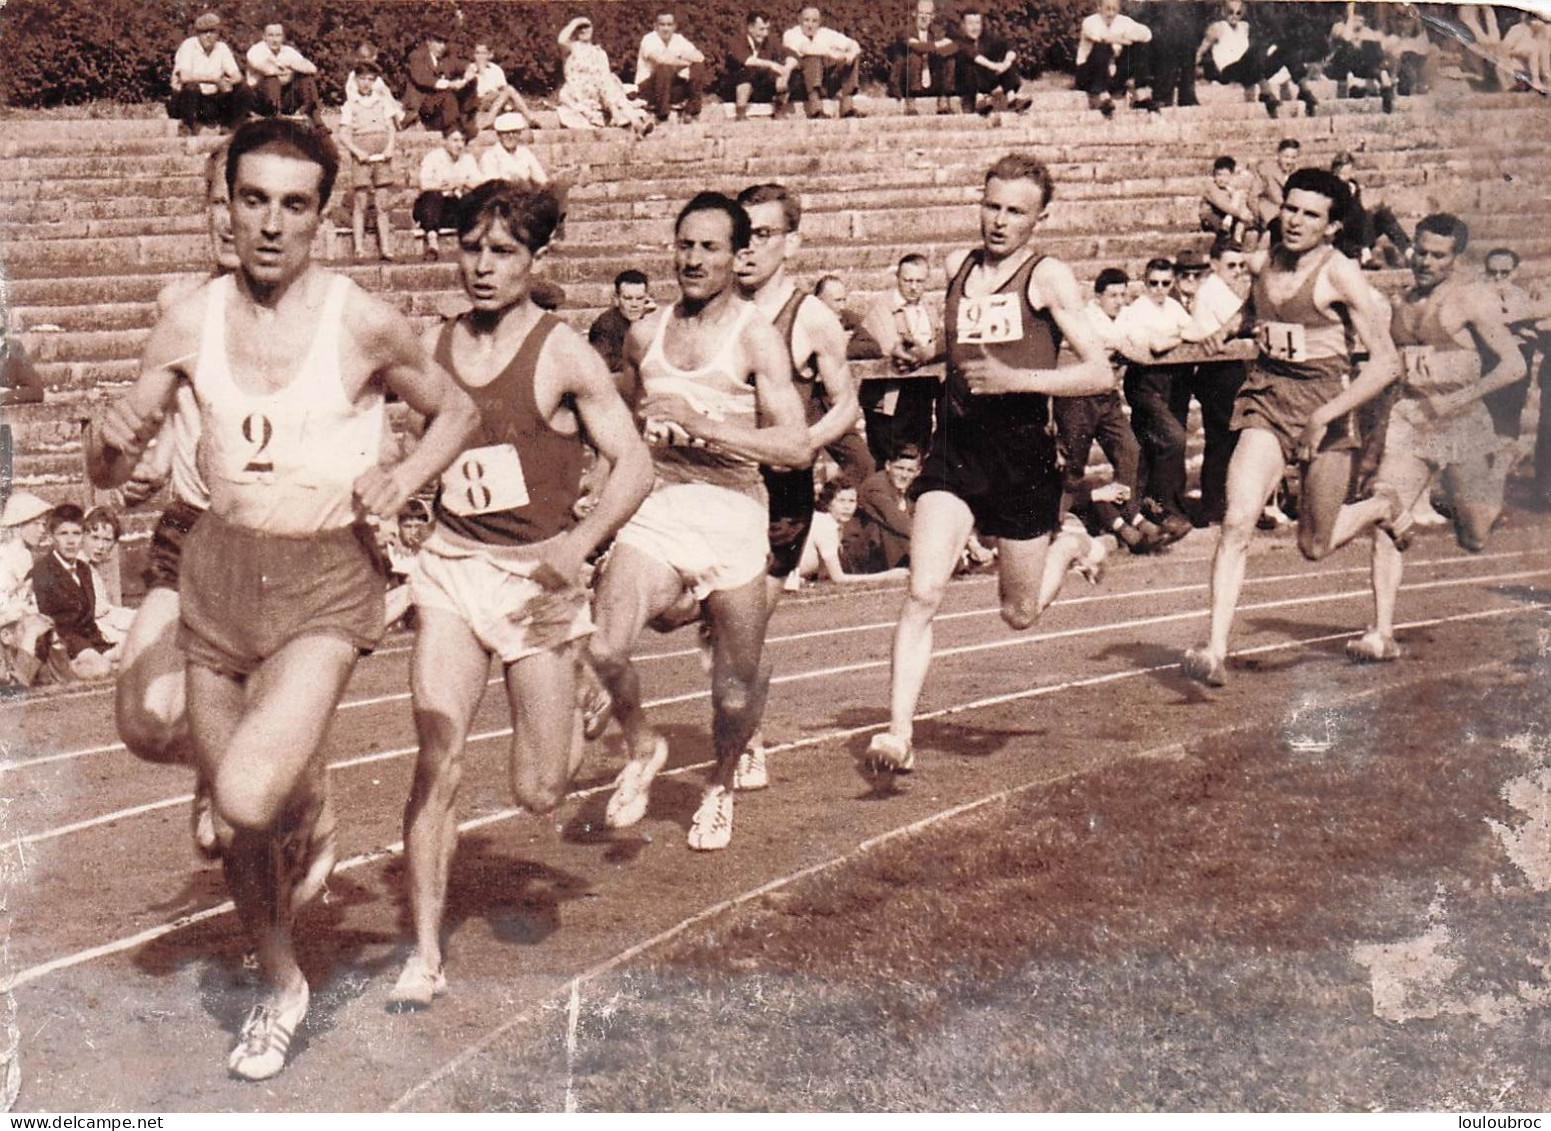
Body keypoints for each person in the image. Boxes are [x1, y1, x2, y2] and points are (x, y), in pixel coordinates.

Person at [88, 119, 479, 1080]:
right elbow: (108, 462)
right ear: (226, 203)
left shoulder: (362, 320)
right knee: (234, 824)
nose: (269, 223)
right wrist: (111, 436)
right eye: (252, 199)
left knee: (249, 791)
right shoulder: (188, 319)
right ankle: (280, 983)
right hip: (218, 567)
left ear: (322, 216)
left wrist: (410, 476)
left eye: (293, 204)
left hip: (323, 576)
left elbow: (458, 410)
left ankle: (303, 781)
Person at [392, 181, 654, 1008]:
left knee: (538, 791)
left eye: (502, 251)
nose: (482, 266)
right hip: (449, 570)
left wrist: (578, 546)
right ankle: (425, 954)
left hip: (535, 582)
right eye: (471, 247)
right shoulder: (428, 345)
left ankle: (590, 697)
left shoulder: (562, 352)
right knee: (437, 755)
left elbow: (635, 464)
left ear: (535, 259)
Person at [867, 154, 1114, 773]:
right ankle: (898, 732)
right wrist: (925, 350)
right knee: (923, 589)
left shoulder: (1047, 276)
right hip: (955, 449)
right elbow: (961, 338)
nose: (998, 222)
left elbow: (1097, 370)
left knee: (1019, 613)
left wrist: (1014, 379)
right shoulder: (959, 266)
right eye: (991, 205)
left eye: (1015, 211)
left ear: (1040, 217)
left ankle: (1072, 545)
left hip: (1023, 455)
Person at [587, 192, 810, 851]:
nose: (692, 258)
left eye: (708, 246)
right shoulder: (644, 332)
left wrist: (704, 426)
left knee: (734, 693)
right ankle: (642, 746)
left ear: (737, 256)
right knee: (603, 648)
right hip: (660, 507)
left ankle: (718, 784)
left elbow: (795, 444)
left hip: (735, 513)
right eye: (684, 244)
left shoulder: (754, 335)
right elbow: (622, 418)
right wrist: (599, 484)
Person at [1182, 168, 1401, 687]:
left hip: (1328, 403)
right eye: (1291, 209)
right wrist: (1225, 330)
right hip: (1268, 397)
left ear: (1330, 227)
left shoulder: (1340, 272)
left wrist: (1324, 416)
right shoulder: (1264, 260)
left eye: (1310, 215)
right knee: (1237, 521)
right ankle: (1215, 647)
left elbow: (1387, 363)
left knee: (1314, 545)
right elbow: (1258, 311)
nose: (1295, 221)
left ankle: (1380, 508)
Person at [85, 144, 236, 861]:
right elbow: (165, 409)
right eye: (217, 200)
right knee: (145, 722)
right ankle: (222, 761)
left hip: (288, 541)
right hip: (192, 531)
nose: (230, 220)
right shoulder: (179, 306)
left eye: (244, 198)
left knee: (251, 806)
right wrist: (144, 455)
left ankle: (270, 774)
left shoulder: (330, 315)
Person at [1346, 213, 1526, 662]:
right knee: (1387, 513)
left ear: (1455, 259)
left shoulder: (1470, 301)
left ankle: (1470, 489)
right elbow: (1391, 373)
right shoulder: (1399, 302)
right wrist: (1377, 435)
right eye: (1420, 251)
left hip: (1463, 420)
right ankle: (1382, 631)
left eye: (1437, 255)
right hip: (1414, 415)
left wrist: (1461, 397)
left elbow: (1513, 366)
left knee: (1475, 536)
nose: (1425, 261)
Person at [1063, 268, 1155, 554]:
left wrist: (1119, 346)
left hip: (1107, 396)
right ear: (1098, 296)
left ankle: (1125, 516)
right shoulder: (1085, 316)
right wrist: (1118, 345)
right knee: (1072, 465)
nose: (1118, 300)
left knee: (1130, 451)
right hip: (1078, 396)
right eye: (1112, 295)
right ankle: (1104, 521)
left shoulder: (1125, 316)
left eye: (1123, 295)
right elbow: (1087, 348)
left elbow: (1144, 353)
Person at [1115, 257, 1196, 541]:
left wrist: (1178, 333)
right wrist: (1180, 335)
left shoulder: (1172, 306)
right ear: (1144, 282)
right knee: (1175, 438)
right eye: (1153, 283)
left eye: (1165, 283)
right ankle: (1158, 506)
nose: (1159, 289)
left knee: (1148, 447)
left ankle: (1144, 508)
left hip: (1170, 382)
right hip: (1143, 384)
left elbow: (1197, 330)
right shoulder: (1136, 310)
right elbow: (1157, 345)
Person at [1174, 237, 1252, 525]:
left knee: (1226, 441)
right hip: (1219, 372)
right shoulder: (1215, 291)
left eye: (1242, 265)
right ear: (1215, 265)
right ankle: (1213, 506)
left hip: (1227, 369)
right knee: (1223, 441)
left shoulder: (1222, 290)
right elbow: (1245, 323)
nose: (1238, 270)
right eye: (1231, 265)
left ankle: (1219, 504)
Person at [859, 254, 943, 469]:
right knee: (888, 457)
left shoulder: (929, 309)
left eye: (919, 281)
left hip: (920, 393)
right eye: (908, 281)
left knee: (917, 454)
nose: (914, 287)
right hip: (888, 397)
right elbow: (890, 345)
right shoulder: (882, 307)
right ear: (898, 278)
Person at [32, 505, 117, 680]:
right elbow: (48, 622)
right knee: (101, 669)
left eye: (76, 534)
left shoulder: (84, 569)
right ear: (52, 537)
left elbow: (89, 615)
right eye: (64, 534)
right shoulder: (43, 571)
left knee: (137, 652)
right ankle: (60, 672)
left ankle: (101, 659)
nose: (71, 541)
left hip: (92, 639)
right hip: (64, 644)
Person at [1198, 0, 1316, 119]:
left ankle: (1303, 90)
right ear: (1223, 11)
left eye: (1238, 13)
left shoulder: (1244, 27)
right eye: (1230, 12)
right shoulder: (1217, 27)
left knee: (1285, 49)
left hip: (1251, 70)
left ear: (1242, 13)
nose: (1234, 16)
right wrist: (1196, 71)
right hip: (1229, 71)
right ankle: (1265, 92)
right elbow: (1201, 51)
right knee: (1255, 51)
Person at [788, 480, 908, 588]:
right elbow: (839, 578)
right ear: (829, 503)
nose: (847, 507)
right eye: (841, 500)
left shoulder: (829, 522)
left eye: (852, 501)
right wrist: (888, 575)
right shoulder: (824, 524)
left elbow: (825, 576)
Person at [1481, 247, 1546, 442]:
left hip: (1514, 378)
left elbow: (1536, 333)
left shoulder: (1523, 298)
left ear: (1515, 272)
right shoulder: (1476, 299)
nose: (1498, 277)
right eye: (1492, 272)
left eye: (1505, 272)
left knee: (1508, 428)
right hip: (1484, 372)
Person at [338, 61, 398, 261]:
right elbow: (344, 134)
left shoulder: (382, 102)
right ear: (355, 80)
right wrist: (357, 151)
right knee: (360, 202)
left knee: (382, 204)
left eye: (370, 79)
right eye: (362, 79)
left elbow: (391, 128)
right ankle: (359, 248)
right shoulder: (350, 105)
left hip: (382, 155)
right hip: (362, 155)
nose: (366, 83)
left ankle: (386, 248)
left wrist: (389, 147)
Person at [557, 17, 653, 136]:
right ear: (574, 30)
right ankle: (630, 120)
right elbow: (561, 40)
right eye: (579, 28)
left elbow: (604, 74)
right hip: (579, 90)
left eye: (586, 27)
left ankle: (632, 121)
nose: (583, 30)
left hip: (600, 91)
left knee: (609, 80)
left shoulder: (599, 52)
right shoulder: (572, 47)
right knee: (607, 83)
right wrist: (575, 22)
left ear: (592, 29)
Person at [1330, 150, 1412, 270]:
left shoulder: (1353, 186)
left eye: (1348, 172)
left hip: (1359, 233)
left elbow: (1358, 213)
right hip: (1342, 237)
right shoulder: (1330, 188)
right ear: (1335, 172)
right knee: (1365, 214)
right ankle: (1365, 255)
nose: (1345, 177)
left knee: (1383, 214)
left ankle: (1409, 252)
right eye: (1341, 173)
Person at [169, 11, 247, 135]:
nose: (208, 36)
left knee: (242, 87)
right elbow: (184, 76)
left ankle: (232, 127)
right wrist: (214, 79)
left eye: (212, 32)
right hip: (189, 101)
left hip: (212, 99)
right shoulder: (188, 46)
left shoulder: (222, 48)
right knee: (191, 87)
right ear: (198, 34)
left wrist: (228, 82)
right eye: (204, 32)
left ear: (218, 34)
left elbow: (237, 75)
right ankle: (188, 126)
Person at [413, 125, 481, 261]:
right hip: (432, 205)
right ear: (444, 141)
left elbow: (480, 183)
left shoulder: (468, 159)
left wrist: (461, 182)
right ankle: (432, 243)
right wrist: (442, 185)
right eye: (455, 140)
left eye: (462, 140)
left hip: (454, 206)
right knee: (433, 196)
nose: (459, 145)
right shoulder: (432, 157)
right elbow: (423, 184)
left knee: (473, 199)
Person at [1076, 0, 1154, 115]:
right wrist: (1121, 39)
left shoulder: (1123, 21)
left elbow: (1146, 35)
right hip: (1088, 75)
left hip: (1112, 74)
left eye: (1114, 9)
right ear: (1099, 8)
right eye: (1107, 8)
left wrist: (1124, 37)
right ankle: (1100, 95)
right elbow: (1099, 37)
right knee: (1102, 47)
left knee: (1139, 46)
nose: (1111, 13)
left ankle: (1139, 92)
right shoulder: (1090, 21)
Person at [783, 6, 862, 119]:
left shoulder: (825, 33)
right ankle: (816, 109)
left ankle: (847, 107)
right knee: (812, 58)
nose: (810, 25)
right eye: (806, 20)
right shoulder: (791, 34)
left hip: (824, 84)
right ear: (799, 20)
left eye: (814, 21)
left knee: (852, 58)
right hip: (801, 86)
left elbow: (854, 44)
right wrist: (832, 53)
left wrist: (851, 54)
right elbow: (806, 49)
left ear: (819, 22)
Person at [855, 442, 923, 571]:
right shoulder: (876, 486)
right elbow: (898, 523)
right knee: (891, 529)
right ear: (888, 465)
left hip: (890, 552)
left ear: (918, 472)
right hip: (865, 555)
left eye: (910, 470)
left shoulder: (912, 487)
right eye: (899, 468)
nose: (904, 475)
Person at [635, 12, 708, 123]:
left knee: (698, 67)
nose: (666, 29)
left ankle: (692, 112)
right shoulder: (649, 39)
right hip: (649, 89)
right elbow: (661, 59)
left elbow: (699, 57)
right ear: (655, 26)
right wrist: (685, 61)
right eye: (662, 25)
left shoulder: (678, 39)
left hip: (670, 88)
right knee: (664, 68)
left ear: (674, 26)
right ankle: (662, 114)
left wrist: (681, 59)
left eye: (669, 25)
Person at [951, 11, 1027, 116]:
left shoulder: (987, 39)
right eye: (971, 24)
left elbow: (1008, 44)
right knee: (971, 66)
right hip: (967, 86)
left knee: (1007, 63)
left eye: (977, 23)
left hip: (986, 81)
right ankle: (979, 101)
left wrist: (1007, 62)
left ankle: (1012, 99)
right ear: (963, 25)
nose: (975, 27)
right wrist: (996, 66)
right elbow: (974, 56)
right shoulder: (958, 41)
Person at [889, 0, 959, 114]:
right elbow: (917, 47)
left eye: (928, 14)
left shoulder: (936, 32)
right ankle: (910, 103)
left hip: (931, 80)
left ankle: (944, 100)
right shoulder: (905, 31)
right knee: (914, 55)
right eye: (921, 13)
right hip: (907, 83)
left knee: (949, 59)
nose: (924, 17)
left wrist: (937, 48)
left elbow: (954, 47)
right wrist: (938, 45)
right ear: (914, 14)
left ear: (933, 16)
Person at [245, 23, 321, 124]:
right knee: (272, 79)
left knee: (306, 79)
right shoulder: (256, 50)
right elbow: (269, 70)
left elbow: (312, 68)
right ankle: (276, 119)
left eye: (278, 35)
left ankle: (316, 120)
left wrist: (287, 64)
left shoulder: (288, 51)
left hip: (283, 98)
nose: (275, 40)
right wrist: (291, 68)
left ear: (283, 37)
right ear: (264, 37)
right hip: (260, 100)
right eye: (271, 35)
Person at [404, 28, 474, 135]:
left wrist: (470, 70)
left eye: (444, 43)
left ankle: (463, 123)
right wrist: (450, 84)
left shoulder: (445, 59)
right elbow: (422, 79)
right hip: (421, 106)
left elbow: (463, 64)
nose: (442, 46)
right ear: (429, 41)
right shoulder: (417, 56)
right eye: (439, 42)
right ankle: (454, 129)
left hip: (439, 107)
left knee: (467, 87)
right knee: (448, 96)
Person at [724, 11, 792, 119]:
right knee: (747, 73)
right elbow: (746, 60)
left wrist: (787, 69)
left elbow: (789, 54)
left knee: (781, 74)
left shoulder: (769, 41)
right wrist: (771, 64)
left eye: (767, 29)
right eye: (761, 29)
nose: (765, 34)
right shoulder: (736, 41)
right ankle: (740, 113)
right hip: (736, 87)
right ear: (750, 28)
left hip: (761, 86)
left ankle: (779, 110)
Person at [590, 270, 655, 376]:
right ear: (616, 299)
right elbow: (602, 362)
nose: (634, 304)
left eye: (640, 298)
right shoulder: (605, 325)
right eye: (628, 298)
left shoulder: (650, 319)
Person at [463, 42, 535, 134]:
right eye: (477, 53)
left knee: (508, 90)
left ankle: (529, 119)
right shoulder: (471, 68)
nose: (480, 56)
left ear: (489, 55)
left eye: (483, 53)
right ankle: (530, 118)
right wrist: (480, 72)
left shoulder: (495, 69)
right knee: (509, 91)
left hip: (495, 100)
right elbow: (467, 85)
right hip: (479, 100)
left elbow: (503, 88)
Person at [0, 491, 50, 615]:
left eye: (44, 524)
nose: (42, 530)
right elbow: (5, 605)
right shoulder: (5, 557)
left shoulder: (25, 555)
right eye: (36, 524)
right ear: (18, 525)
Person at [478, 113, 549, 189]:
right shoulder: (489, 157)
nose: (510, 136)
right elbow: (493, 189)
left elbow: (542, 180)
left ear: (519, 133)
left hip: (526, 197)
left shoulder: (525, 153)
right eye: (506, 132)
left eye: (514, 132)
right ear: (499, 134)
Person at [1201, 156, 1257, 243]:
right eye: (1219, 174)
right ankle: (1226, 234)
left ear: (1231, 176)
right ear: (1214, 175)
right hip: (1212, 216)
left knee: (1238, 195)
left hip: (1228, 216)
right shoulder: (1210, 186)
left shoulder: (1230, 187)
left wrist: (1246, 214)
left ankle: (1237, 239)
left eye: (1225, 175)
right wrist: (1241, 214)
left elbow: (1240, 202)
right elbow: (1221, 204)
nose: (1222, 179)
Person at [1254, 137, 1301, 232]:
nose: (1289, 162)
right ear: (1278, 155)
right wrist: (1257, 217)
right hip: (1269, 213)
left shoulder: (1299, 173)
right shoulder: (1265, 170)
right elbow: (1254, 196)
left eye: (1293, 158)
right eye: (1286, 157)